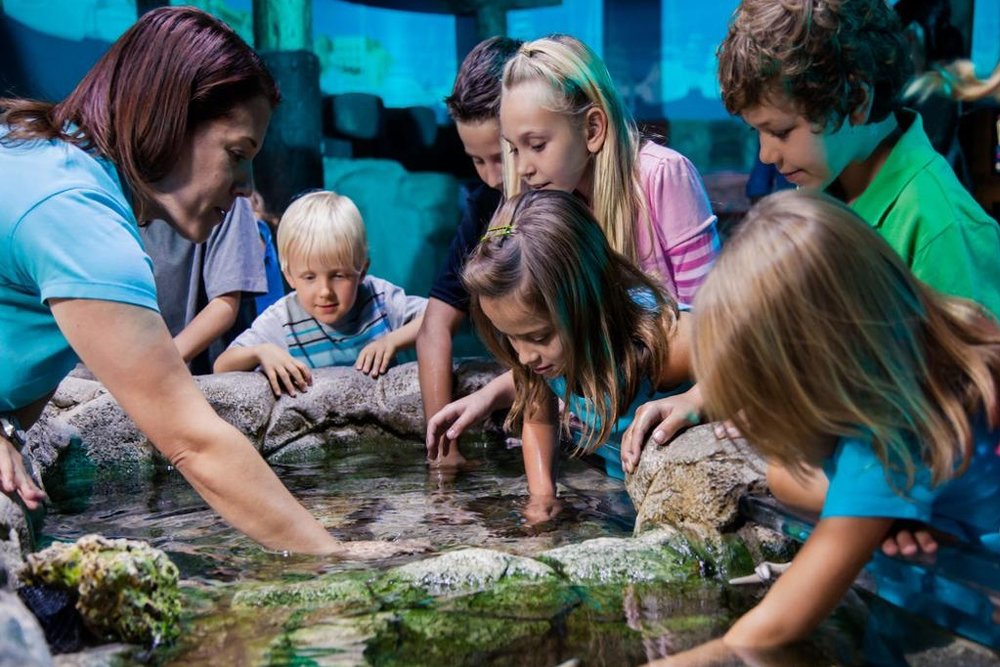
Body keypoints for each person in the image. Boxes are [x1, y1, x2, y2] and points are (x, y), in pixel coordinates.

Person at [0, 7, 419, 557]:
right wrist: (335, 560)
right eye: (237, 155)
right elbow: (194, 441)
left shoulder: (46, 158)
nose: (247, 188)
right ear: (168, 117)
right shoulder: (79, 221)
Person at [647, 189, 1000, 658]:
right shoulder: (925, 355)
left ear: (816, 375)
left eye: (764, 401)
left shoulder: (889, 440)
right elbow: (786, 479)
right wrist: (879, 516)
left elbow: (766, 632)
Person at [427, 34, 717, 460]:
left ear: (593, 128)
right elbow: (551, 346)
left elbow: (715, 331)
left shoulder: (661, 176)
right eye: (513, 148)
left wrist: (699, 399)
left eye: (537, 145)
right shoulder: (535, 201)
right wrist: (494, 392)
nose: (521, 168)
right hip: (600, 426)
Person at [716, 0, 1000, 318]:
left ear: (858, 101)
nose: (766, 155)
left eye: (781, 131)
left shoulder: (943, 230)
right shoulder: (822, 180)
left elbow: (978, 364)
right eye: (757, 131)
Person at [462, 190, 695, 523]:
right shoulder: (546, 356)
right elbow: (540, 417)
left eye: (538, 336)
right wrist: (542, 496)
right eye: (509, 337)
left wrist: (697, 399)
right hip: (627, 495)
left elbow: (758, 362)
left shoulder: (662, 341)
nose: (524, 355)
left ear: (587, 302)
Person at [418, 36, 522, 467]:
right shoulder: (485, 204)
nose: (493, 177)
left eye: (502, 156)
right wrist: (445, 450)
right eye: (477, 161)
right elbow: (434, 327)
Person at [214, 190, 427, 393]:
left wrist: (392, 341)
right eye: (309, 277)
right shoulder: (282, 319)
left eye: (338, 276)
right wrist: (260, 352)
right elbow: (222, 366)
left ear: (362, 271)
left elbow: (438, 317)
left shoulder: (379, 299)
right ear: (289, 276)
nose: (325, 291)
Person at [140, 195, 266, 375]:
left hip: (210, 377)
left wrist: (153, 368)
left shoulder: (229, 198)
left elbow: (224, 305)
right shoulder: (119, 194)